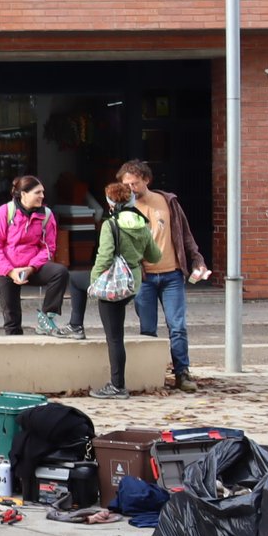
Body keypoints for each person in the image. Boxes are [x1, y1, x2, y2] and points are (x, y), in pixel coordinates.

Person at [119, 160, 210, 392]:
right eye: (126, 184)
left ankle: (182, 373)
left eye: (135, 183)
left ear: (146, 180)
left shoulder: (168, 202)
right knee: (147, 328)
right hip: (145, 277)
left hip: (172, 274)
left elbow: (185, 235)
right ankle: (152, 376)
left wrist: (197, 259)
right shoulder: (124, 208)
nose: (131, 188)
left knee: (177, 326)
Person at [89, 181, 162, 400]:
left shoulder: (110, 225)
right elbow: (155, 256)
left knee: (114, 338)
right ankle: (117, 384)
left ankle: (117, 385)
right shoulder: (141, 222)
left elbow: (105, 256)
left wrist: (94, 281)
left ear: (110, 202)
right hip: (131, 284)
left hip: (113, 284)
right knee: (117, 334)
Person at [0, 175, 79, 337]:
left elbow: (49, 247)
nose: (42, 196)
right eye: (38, 192)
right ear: (23, 194)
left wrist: (31, 267)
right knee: (12, 320)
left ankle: (46, 318)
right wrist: (10, 271)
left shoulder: (47, 215)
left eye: (43, 192)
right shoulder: (4, 212)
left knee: (60, 272)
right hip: (6, 269)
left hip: (32, 267)